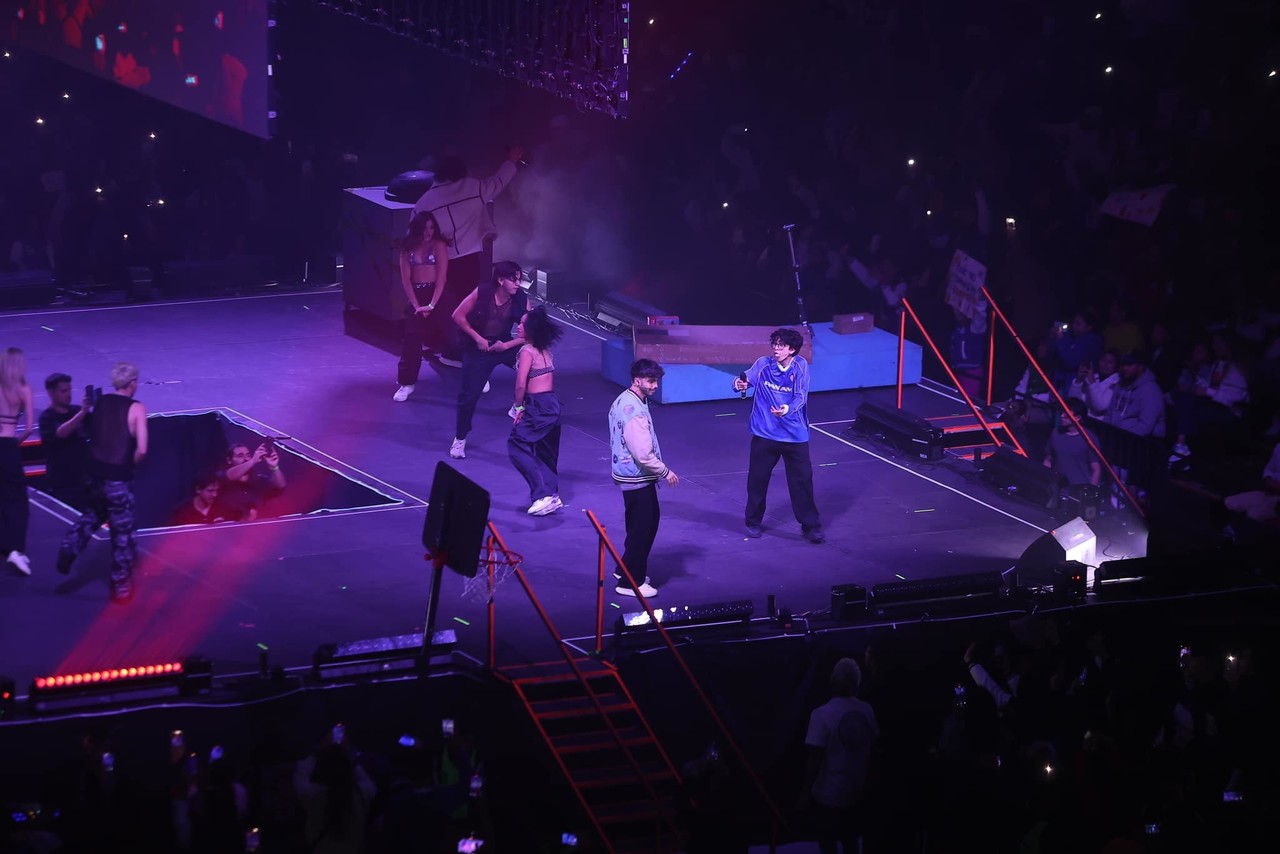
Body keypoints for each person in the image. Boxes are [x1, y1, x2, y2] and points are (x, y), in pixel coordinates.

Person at [413, 147, 524, 366]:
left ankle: (437, 345)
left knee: (438, 305)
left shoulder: (424, 202)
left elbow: (413, 234)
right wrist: (511, 160)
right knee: (468, 307)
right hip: (468, 258)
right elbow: (500, 181)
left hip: (437, 262)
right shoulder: (474, 188)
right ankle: (460, 351)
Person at [56, 362, 148, 602]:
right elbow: (143, 448)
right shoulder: (136, 408)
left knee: (94, 512)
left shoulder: (102, 402)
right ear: (132, 383)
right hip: (118, 476)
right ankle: (121, 585)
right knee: (122, 531)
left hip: (94, 474)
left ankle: (71, 545)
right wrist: (132, 464)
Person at [733, 327, 824, 543]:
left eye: (781, 345)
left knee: (802, 481)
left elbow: (801, 396)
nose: (776, 348)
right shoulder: (764, 364)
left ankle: (810, 526)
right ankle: (753, 521)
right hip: (765, 434)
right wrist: (739, 384)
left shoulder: (800, 366)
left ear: (792, 349)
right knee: (757, 480)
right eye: (774, 344)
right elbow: (747, 378)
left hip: (794, 436)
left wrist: (786, 410)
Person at [609, 359, 677, 598]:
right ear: (637, 381)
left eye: (657, 380)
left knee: (637, 526)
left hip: (629, 475)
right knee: (644, 529)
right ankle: (631, 582)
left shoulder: (626, 399)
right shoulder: (634, 411)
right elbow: (643, 453)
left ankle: (625, 569)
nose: (655, 385)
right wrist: (665, 472)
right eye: (651, 380)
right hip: (637, 477)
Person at [449, 260, 528, 459]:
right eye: (513, 280)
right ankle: (460, 439)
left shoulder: (520, 298)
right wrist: (477, 338)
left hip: (503, 344)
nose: (517, 284)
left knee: (534, 366)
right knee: (468, 396)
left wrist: (506, 345)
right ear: (501, 280)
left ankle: (517, 406)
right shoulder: (483, 293)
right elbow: (457, 316)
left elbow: (531, 331)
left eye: (519, 279)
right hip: (477, 348)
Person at [802, 657, 879, 854]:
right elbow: (874, 745)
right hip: (855, 795)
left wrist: (804, 792)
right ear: (857, 682)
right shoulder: (867, 710)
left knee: (828, 846)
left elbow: (815, 759)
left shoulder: (821, 714)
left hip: (827, 798)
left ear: (832, 681)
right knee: (851, 844)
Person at [509, 305, 564, 515]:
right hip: (552, 403)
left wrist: (519, 407)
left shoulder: (526, 351)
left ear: (531, 328)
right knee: (546, 452)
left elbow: (521, 384)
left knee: (516, 445)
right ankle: (552, 496)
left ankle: (542, 494)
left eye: (522, 324)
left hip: (537, 405)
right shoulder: (544, 349)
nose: (519, 326)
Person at [393, 211, 449, 401]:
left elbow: (442, 277)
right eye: (425, 227)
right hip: (416, 295)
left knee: (456, 332)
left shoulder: (439, 245)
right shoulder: (407, 248)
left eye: (432, 227)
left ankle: (476, 376)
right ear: (417, 228)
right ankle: (407, 383)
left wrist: (432, 304)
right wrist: (417, 305)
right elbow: (406, 280)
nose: (429, 231)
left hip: (437, 294)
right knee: (411, 339)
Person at [1, 347, 36, 576]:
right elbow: (30, 427)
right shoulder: (24, 390)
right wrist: (14, 444)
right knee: (18, 501)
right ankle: (15, 550)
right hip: (8, 447)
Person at [37, 372, 90, 509]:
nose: (68, 394)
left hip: (85, 481)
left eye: (69, 390)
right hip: (62, 485)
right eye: (63, 391)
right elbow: (61, 433)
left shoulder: (76, 410)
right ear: (51, 393)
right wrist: (82, 413)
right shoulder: (47, 418)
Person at [218, 441, 286, 521]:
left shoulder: (259, 480)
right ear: (229, 460)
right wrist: (253, 460)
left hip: (256, 529)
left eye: (248, 455)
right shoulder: (221, 479)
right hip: (229, 530)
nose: (246, 459)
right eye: (240, 456)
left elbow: (280, 486)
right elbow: (229, 476)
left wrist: (274, 467)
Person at [1044, 397, 1102, 488]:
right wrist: (1045, 480)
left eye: (1066, 414)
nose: (1062, 416)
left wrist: (1090, 492)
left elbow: (1096, 470)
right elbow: (1048, 459)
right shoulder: (1056, 432)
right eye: (1062, 412)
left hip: (1079, 489)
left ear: (1078, 417)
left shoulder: (1089, 438)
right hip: (1057, 486)